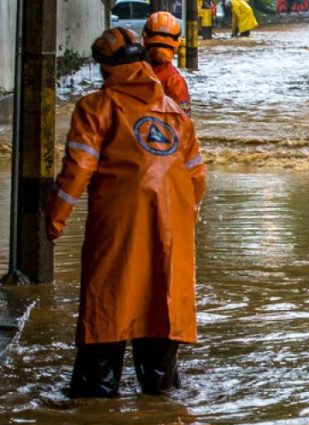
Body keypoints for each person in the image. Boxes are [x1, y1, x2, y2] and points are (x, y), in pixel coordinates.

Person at [47, 28, 207, 398]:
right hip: (173, 231)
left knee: (108, 308)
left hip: (117, 228)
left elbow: (77, 171)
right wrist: (184, 220)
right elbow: (197, 177)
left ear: (105, 67)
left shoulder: (96, 108)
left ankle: (98, 409)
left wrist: (54, 219)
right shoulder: (176, 116)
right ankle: (162, 413)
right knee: (161, 312)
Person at [143, 11, 192, 117]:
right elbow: (183, 124)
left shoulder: (131, 72)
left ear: (144, 38)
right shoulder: (174, 81)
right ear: (176, 44)